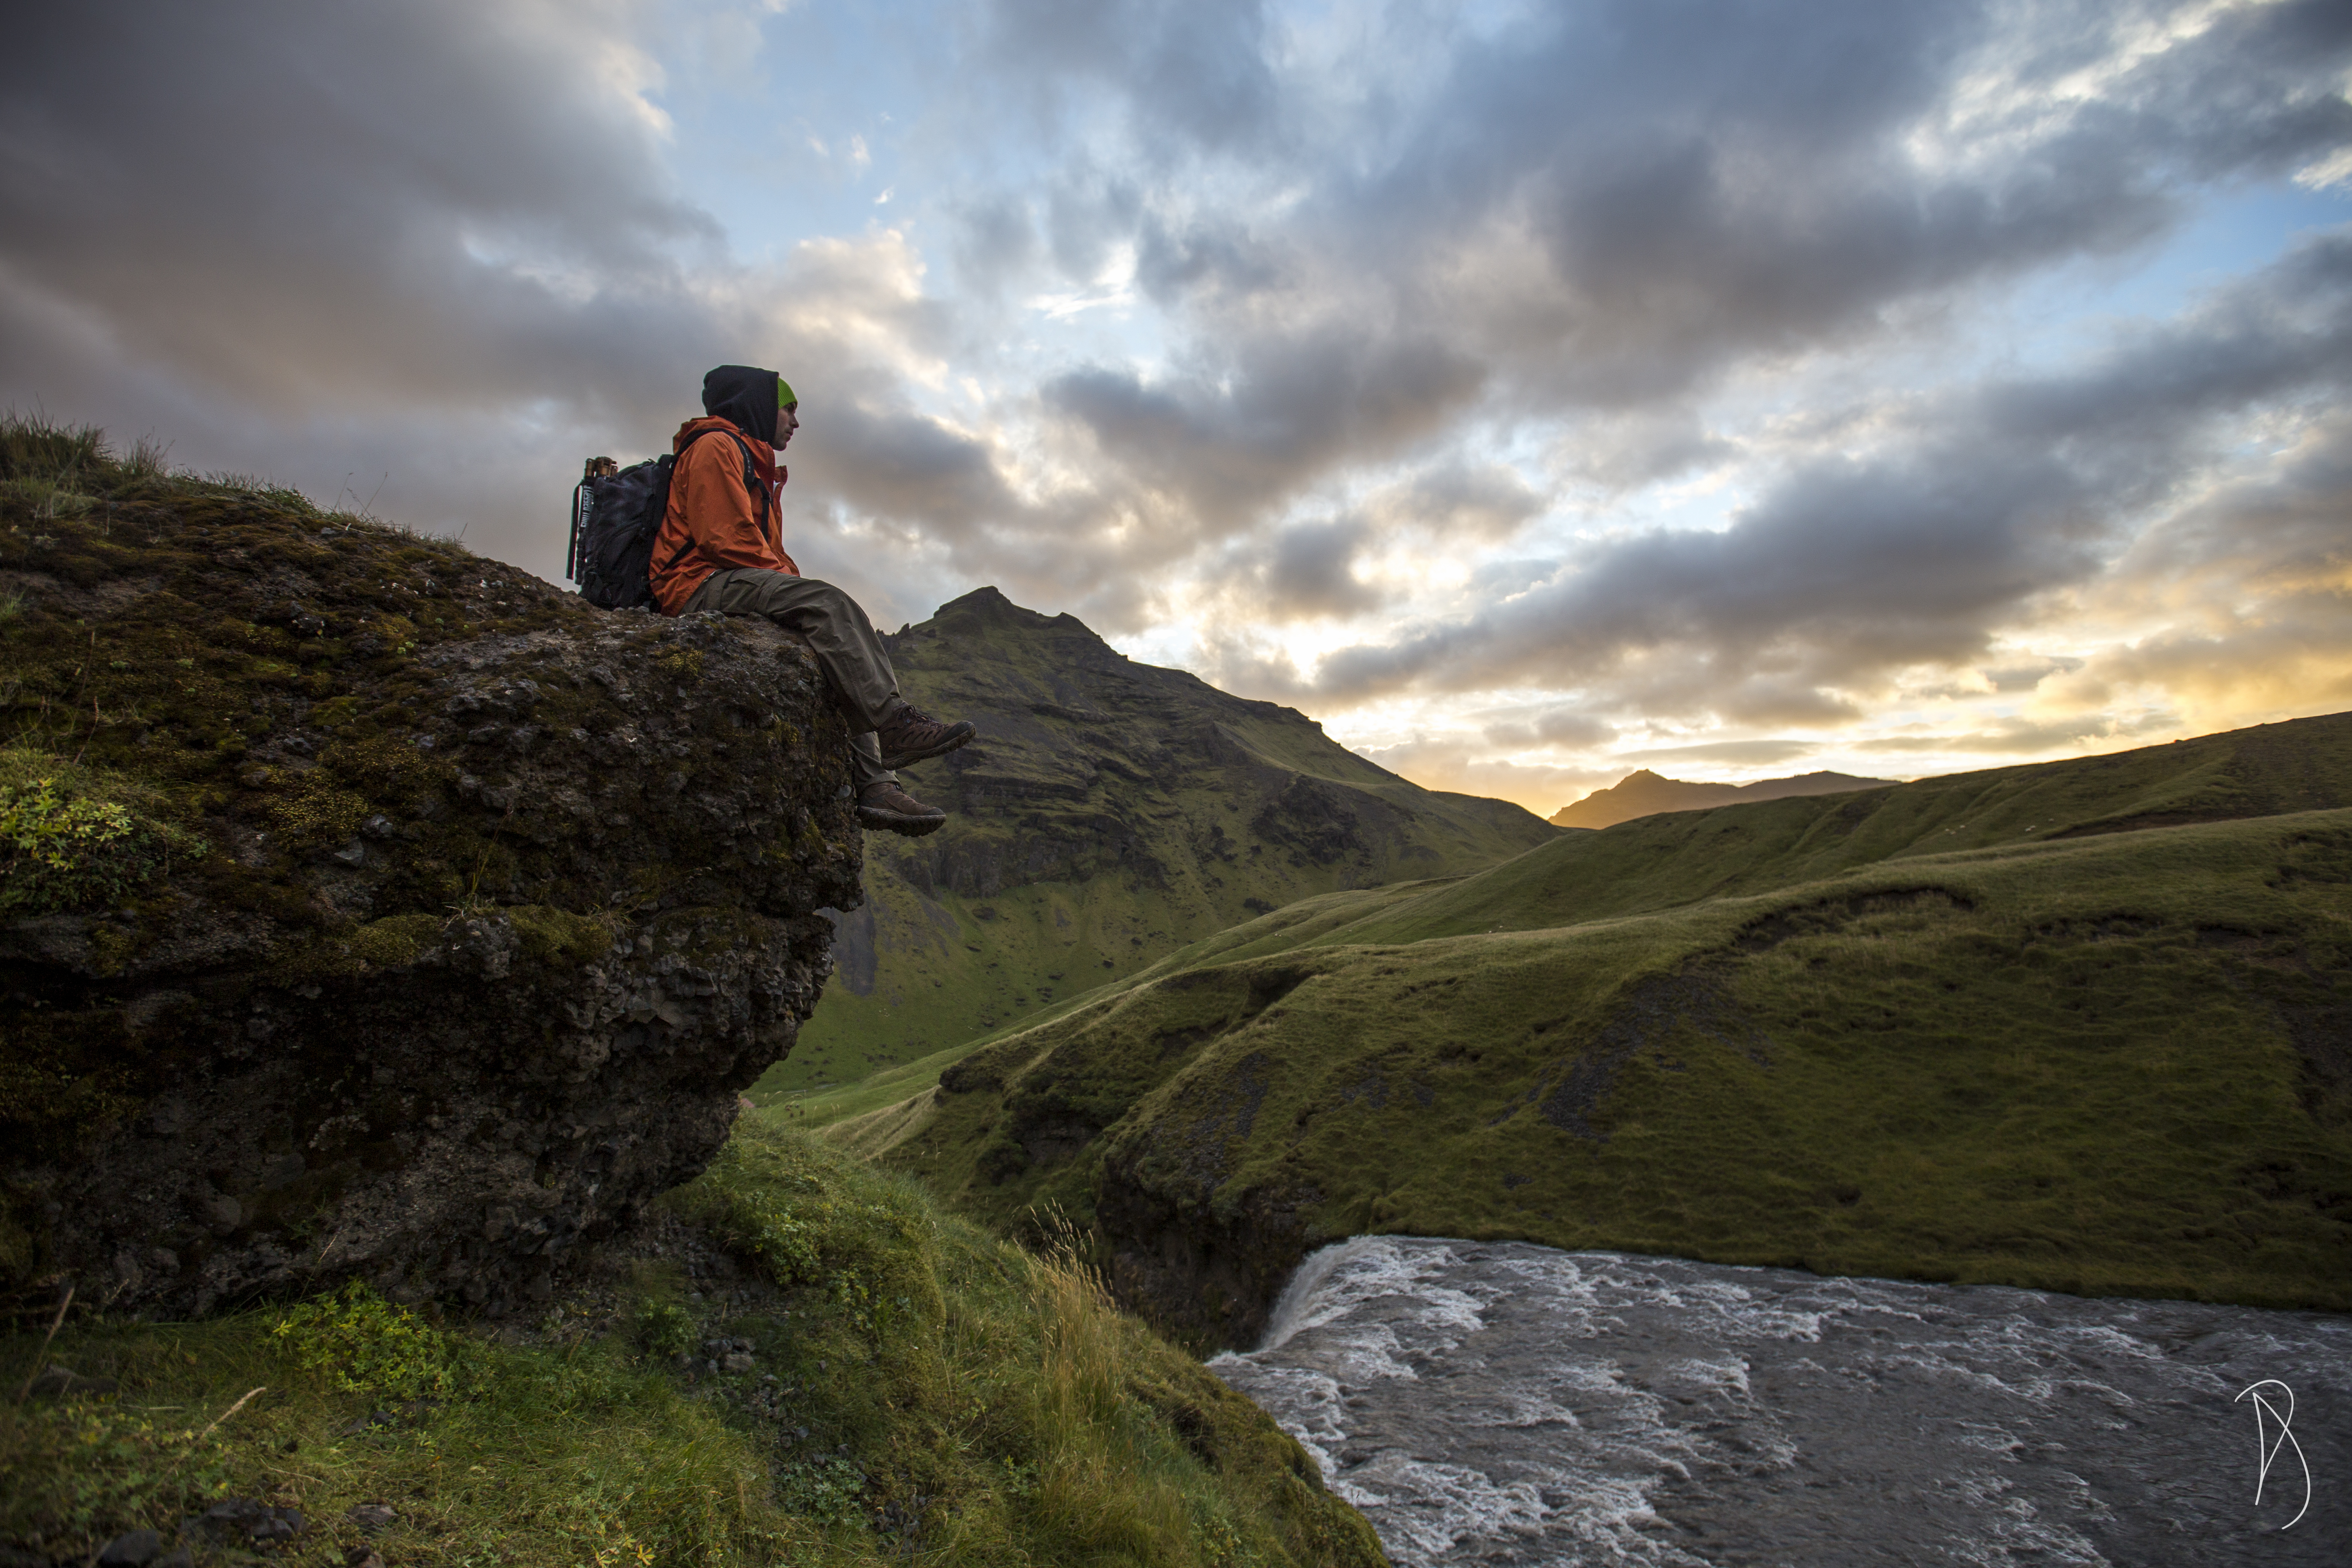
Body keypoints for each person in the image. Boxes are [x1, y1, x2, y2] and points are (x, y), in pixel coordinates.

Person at [647, 364, 974, 836]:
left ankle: (877, 785)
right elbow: (724, 538)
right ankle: (894, 723)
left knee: (830, 647)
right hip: (696, 584)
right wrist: (794, 587)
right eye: (788, 408)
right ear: (757, 404)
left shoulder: (754, 461)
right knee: (828, 604)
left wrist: (787, 584)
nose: (795, 422)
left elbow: (762, 553)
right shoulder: (716, 447)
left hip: (725, 578)